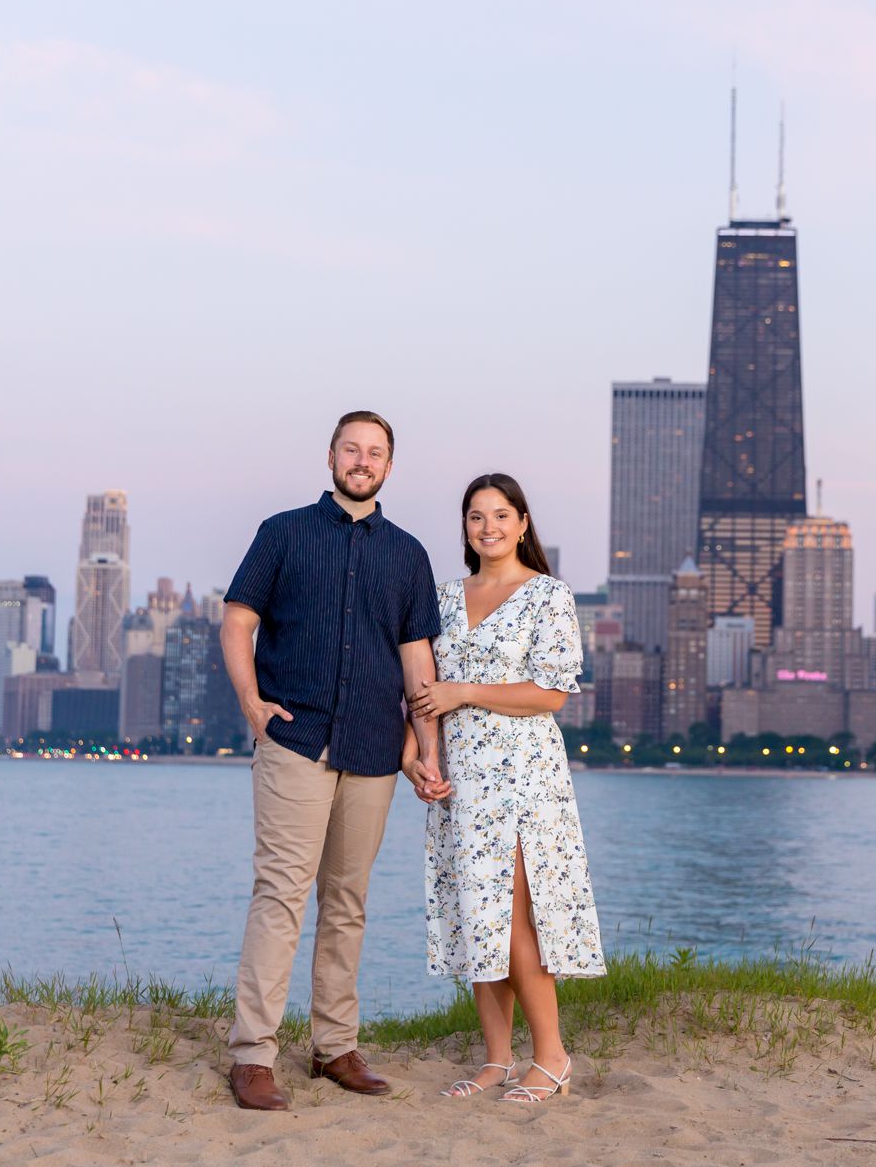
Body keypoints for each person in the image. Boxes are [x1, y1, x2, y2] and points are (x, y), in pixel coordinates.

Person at [219, 409, 451, 1112]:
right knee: (281, 896)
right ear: (330, 457)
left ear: (389, 466)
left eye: (374, 452)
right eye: (351, 449)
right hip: (297, 742)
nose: (361, 460)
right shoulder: (282, 533)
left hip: (376, 752)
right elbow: (237, 621)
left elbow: (418, 662)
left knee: (347, 903)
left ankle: (334, 1049)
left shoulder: (408, 554)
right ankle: (253, 1056)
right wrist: (253, 705)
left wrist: (425, 753)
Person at [409, 472, 606, 1103]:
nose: (488, 527)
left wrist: (463, 691)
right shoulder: (441, 598)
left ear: (523, 523)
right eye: (475, 517)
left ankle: (550, 1056)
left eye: (501, 515)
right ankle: (497, 1058)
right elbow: (418, 691)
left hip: (524, 777)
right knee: (477, 914)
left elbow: (551, 692)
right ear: (463, 528)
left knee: (520, 916)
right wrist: (417, 757)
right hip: (460, 778)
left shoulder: (548, 596)